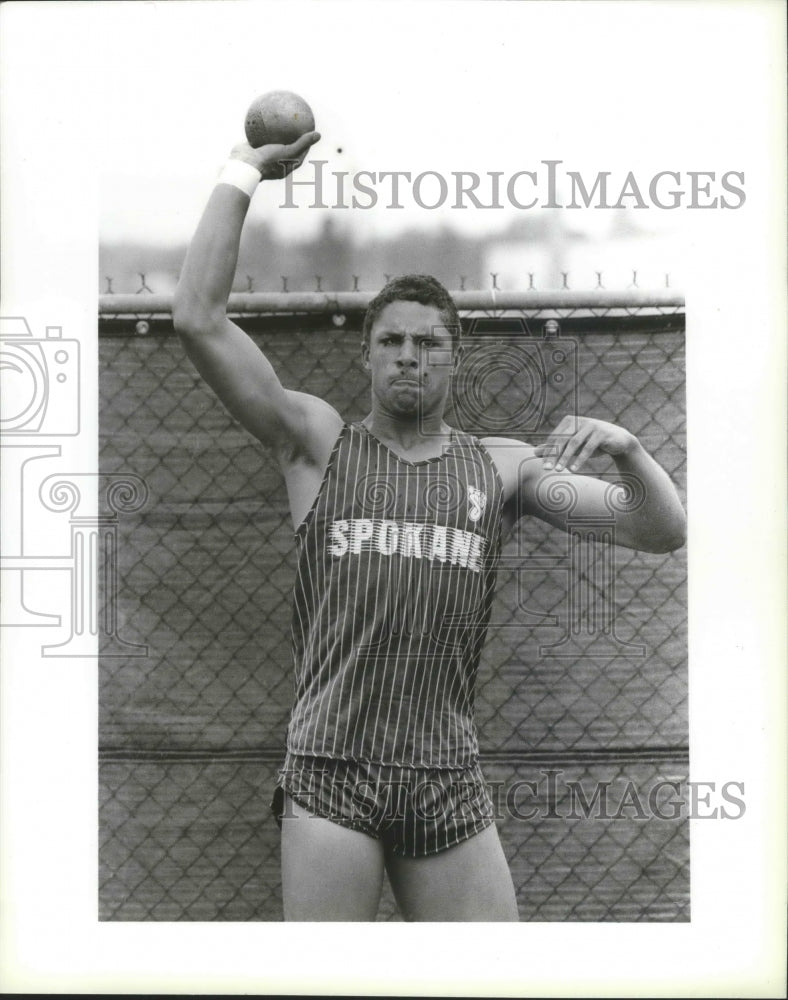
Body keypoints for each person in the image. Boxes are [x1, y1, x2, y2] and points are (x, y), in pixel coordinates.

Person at [172, 130, 687, 922]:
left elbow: (659, 530)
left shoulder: (504, 467)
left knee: (489, 980)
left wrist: (628, 447)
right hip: (330, 771)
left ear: (454, 359)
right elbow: (198, 320)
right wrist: (246, 170)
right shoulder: (315, 443)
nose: (410, 357)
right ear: (368, 358)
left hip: (444, 776)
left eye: (430, 343)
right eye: (393, 342)